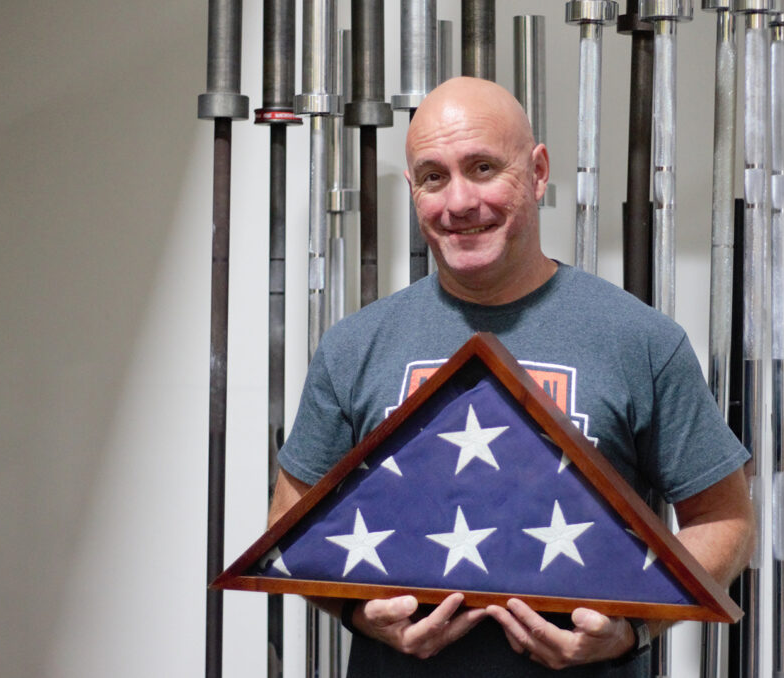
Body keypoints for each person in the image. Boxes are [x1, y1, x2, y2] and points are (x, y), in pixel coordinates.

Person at [268, 76, 754, 677]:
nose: (460, 202)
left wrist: (635, 629)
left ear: (538, 171)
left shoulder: (640, 340)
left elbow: (724, 519)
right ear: (412, 190)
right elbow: (288, 533)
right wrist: (359, 617)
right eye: (433, 176)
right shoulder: (355, 345)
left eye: (483, 167)